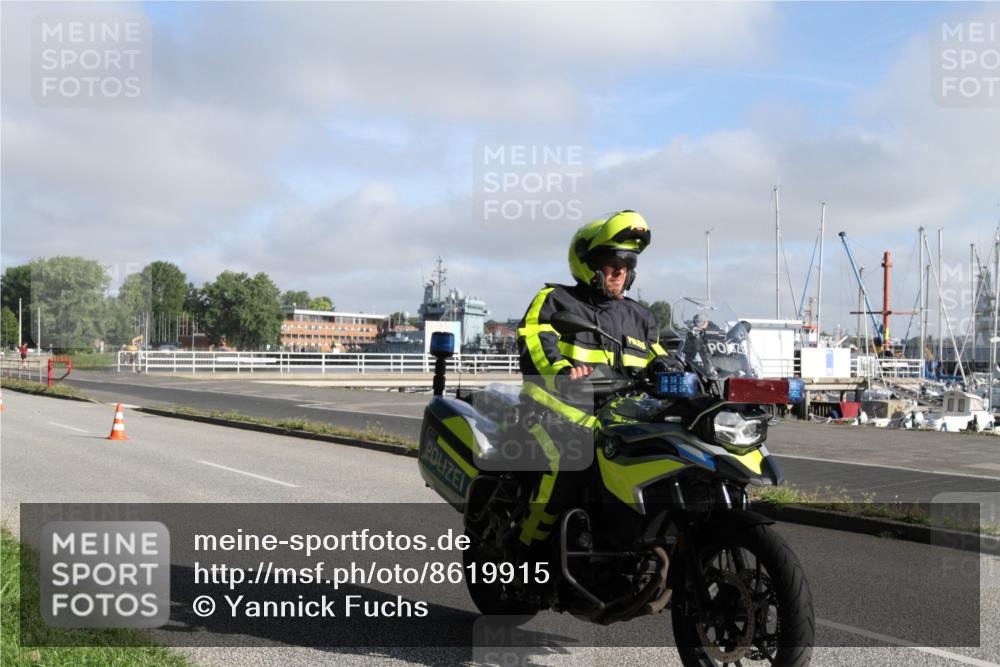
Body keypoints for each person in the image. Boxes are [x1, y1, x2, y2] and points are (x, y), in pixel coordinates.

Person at [515, 210, 680, 555]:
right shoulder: (556, 300)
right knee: (572, 458)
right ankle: (527, 547)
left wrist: (677, 372)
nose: (621, 270)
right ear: (587, 262)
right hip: (554, 407)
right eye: (612, 261)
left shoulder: (641, 316)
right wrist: (561, 370)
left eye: (628, 262)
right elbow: (535, 340)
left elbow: (659, 356)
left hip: (618, 413)